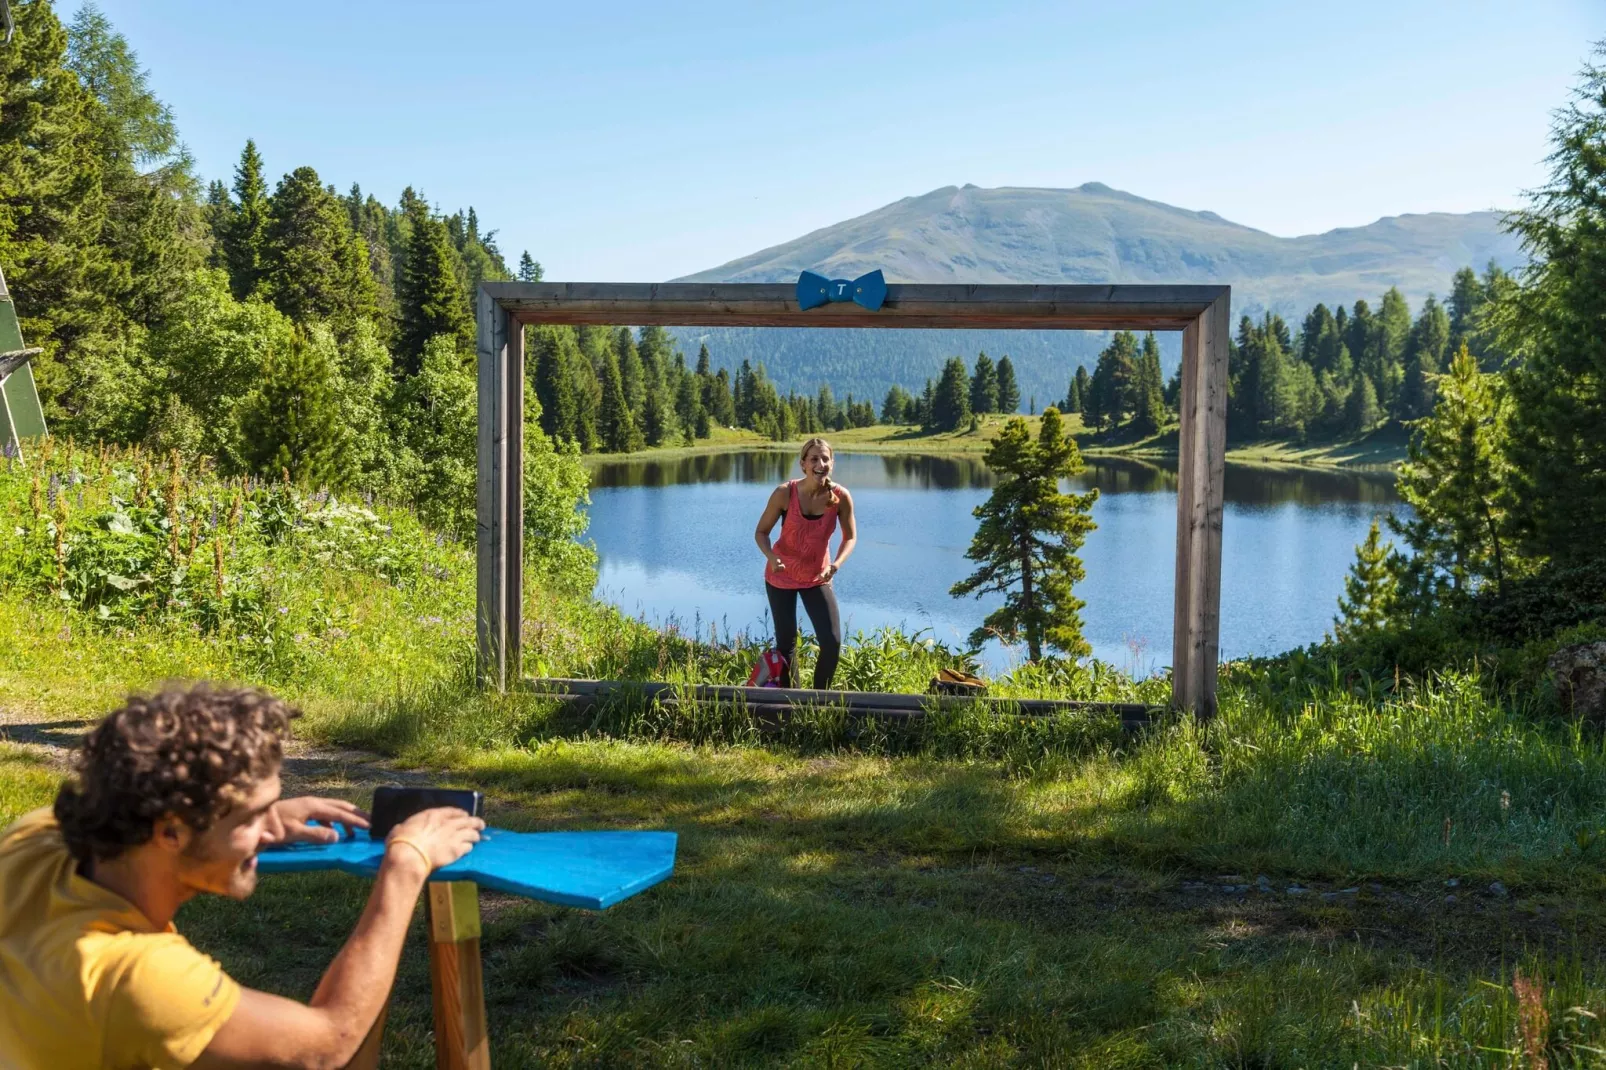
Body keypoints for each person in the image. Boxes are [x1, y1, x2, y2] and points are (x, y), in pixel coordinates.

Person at [0, 684, 485, 1070]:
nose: (265, 828)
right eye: (250, 817)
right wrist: (405, 866)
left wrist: (251, 821)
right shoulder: (137, 978)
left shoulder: (32, 842)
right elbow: (327, 1044)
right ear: (170, 830)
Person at [753, 437, 858, 689]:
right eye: (814, 459)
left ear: (832, 463)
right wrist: (771, 556)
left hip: (817, 577)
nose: (820, 463)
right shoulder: (784, 493)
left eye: (825, 459)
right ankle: (791, 702)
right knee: (786, 645)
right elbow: (761, 532)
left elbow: (851, 537)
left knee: (831, 642)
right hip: (780, 577)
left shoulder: (841, 497)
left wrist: (835, 565)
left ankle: (819, 701)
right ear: (803, 464)